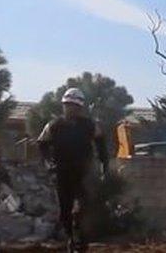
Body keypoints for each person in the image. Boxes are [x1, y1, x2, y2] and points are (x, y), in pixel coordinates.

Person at [37, 87, 109, 253]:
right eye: (67, 105)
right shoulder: (54, 125)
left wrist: (104, 167)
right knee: (65, 211)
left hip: (83, 172)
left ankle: (81, 242)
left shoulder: (90, 125)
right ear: (63, 105)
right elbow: (42, 144)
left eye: (74, 105)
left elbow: (101, 146)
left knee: (82, 208)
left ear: (80, 108)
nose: (70, 108)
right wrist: (48, 163)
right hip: (62, 173)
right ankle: (71, 239)